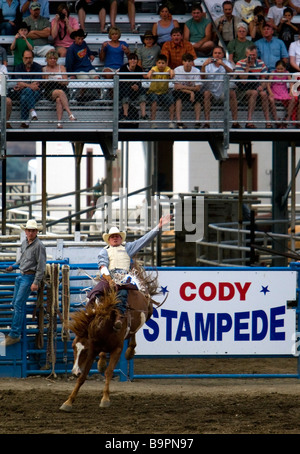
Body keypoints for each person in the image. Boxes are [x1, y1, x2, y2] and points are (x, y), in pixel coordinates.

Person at [90, 214, 171, 330]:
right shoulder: (104, 251)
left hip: (124, 276)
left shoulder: (128, 248)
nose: (115, 238)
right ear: (108, 239)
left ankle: (120, 316)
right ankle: (91, 317)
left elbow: (145, 239)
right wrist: (109, 279)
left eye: (117, 236)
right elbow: (102, 266)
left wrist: (158, 226)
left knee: (122, 292)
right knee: (94, 294)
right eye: (112, 236)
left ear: (121, 238)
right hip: (109, 275)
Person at [0, 219, 46, 346]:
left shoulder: (39, 246)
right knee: (15, 303)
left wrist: (36, 282)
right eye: (29, 230)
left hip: (29, 278)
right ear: (26, 231)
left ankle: (14, 334)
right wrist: (14, 266)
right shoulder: (25, 243)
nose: (30, 233)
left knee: (18, 304)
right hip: (22, 276)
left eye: (32, 231)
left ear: (36, 232)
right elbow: (22, 259)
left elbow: (41, 266)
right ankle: (14, 333)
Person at [202, 46, 240, 129]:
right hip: (211, 91)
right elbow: (202, 77)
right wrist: (204, 66)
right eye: (215, 53)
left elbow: (232, 74)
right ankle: (207, 123)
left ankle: (235, 122)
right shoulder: (208, 64)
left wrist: (223, 64)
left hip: (223, 91)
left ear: (223, 54)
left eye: (219, 53)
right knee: (206, 93)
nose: (217, 55)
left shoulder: (227, 63)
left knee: (232, 93)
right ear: (212, 54)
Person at [235, 44, 272, 128]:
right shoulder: (240, 63)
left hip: (256, 87)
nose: (252, 57)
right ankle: (249, 120)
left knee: (264, 94)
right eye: (250, 55)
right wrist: (247, 67)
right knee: (254, 92)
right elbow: (243, 80)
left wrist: (262, 87)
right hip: (243, 90)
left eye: (254, 55)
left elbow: (264, 79)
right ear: (246, 55)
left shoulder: (261, 63)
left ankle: (267, 121)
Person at [42, 49, 76, 128]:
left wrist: (60, 81)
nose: (53, 60)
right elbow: (44, 83)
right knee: (59, 92)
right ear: (47, 59)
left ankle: (59, 122)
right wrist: (48, 77)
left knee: (58, 100)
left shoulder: (62, 67)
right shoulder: (44, 69)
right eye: (51, 58)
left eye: (54, 58)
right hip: (50, 89)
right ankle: (70, 113)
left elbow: (66, 82)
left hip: (62, 87)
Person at [12, 48, 43, 128]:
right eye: (26, 58)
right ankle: (32, 111)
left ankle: (24, 121)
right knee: (25, 93)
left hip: (36, 93)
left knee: (24, 96)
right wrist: (30, 85)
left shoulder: (38, 67)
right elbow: (19, 82)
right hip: (21, 92)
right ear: (22, 58)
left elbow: (36, 83)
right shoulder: (18, 67)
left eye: (30, 58)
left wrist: (24, 85)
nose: (28, 60)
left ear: (33, 58)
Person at [173, 52, 202, 129]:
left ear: (192, 62)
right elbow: (176, 87)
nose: (187, 63)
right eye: (185, 61)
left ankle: (197, 121)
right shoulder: (177, 70)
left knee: (198, 96)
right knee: (178, 96)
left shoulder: (196, 71)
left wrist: (184, 87)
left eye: (189, 61)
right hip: (182, 92)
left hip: (190, 91)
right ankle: (179, 121)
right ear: (182, 62)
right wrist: (190, 92)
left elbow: (198, 87)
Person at [146, 53, 175, 128]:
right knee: (154, 101)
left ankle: (171, 122)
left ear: (166, 63)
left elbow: (171, 72)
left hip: (164, 92)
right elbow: (150, 72)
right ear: (156, 63)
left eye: (163, 63)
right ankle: (153, 123)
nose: (161, 65)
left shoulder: (167, 69)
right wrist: (150, 73)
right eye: (159, 63)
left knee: (171, 101)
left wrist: (171, 72)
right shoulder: (155, 68)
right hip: (153, 92)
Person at [267, 59, 297, 128]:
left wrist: (290, 92)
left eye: (281, 69)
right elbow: (268, 84)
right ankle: (276, 119)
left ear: (285, 68)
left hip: (284, 91)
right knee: (271, 100)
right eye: (278, 69)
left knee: (292, 99)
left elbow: (291, 83)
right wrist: (270, 93)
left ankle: (287, 119)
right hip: (274, 91)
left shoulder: (287, 73)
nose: (280, 70)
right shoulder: (273, 73)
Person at [118, 52, 147, 121]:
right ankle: (125, 115)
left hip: (135, 89)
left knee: (142, 90)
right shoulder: (123, 68)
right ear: (128, 61)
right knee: (125, 91)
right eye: (131, 59)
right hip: (125, 89)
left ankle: (143, 114)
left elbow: (140, 81)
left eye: (135, 59)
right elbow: (121, 82)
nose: (133, 61)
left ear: (137, 61)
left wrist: (137, 86)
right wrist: (131, 85)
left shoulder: (139, 69)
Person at [0, 63, 13, 128]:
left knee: (8, 101)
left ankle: (6, 123)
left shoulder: (3, 67)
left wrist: (1, 77)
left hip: (2, 95)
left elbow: (5, 78)